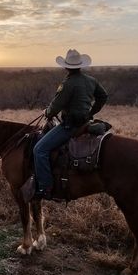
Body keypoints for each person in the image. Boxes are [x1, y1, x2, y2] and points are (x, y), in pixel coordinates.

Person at [33, 49, 108, 200]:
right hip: (86, 122)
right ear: (80, 66)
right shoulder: (91, 80)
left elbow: (55, 106)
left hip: (70, 126)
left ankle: (45, 187)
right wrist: (91, 112)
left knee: (39, 149)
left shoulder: (68, 84)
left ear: (66, 67)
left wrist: (47, 112)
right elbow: (103, 96)